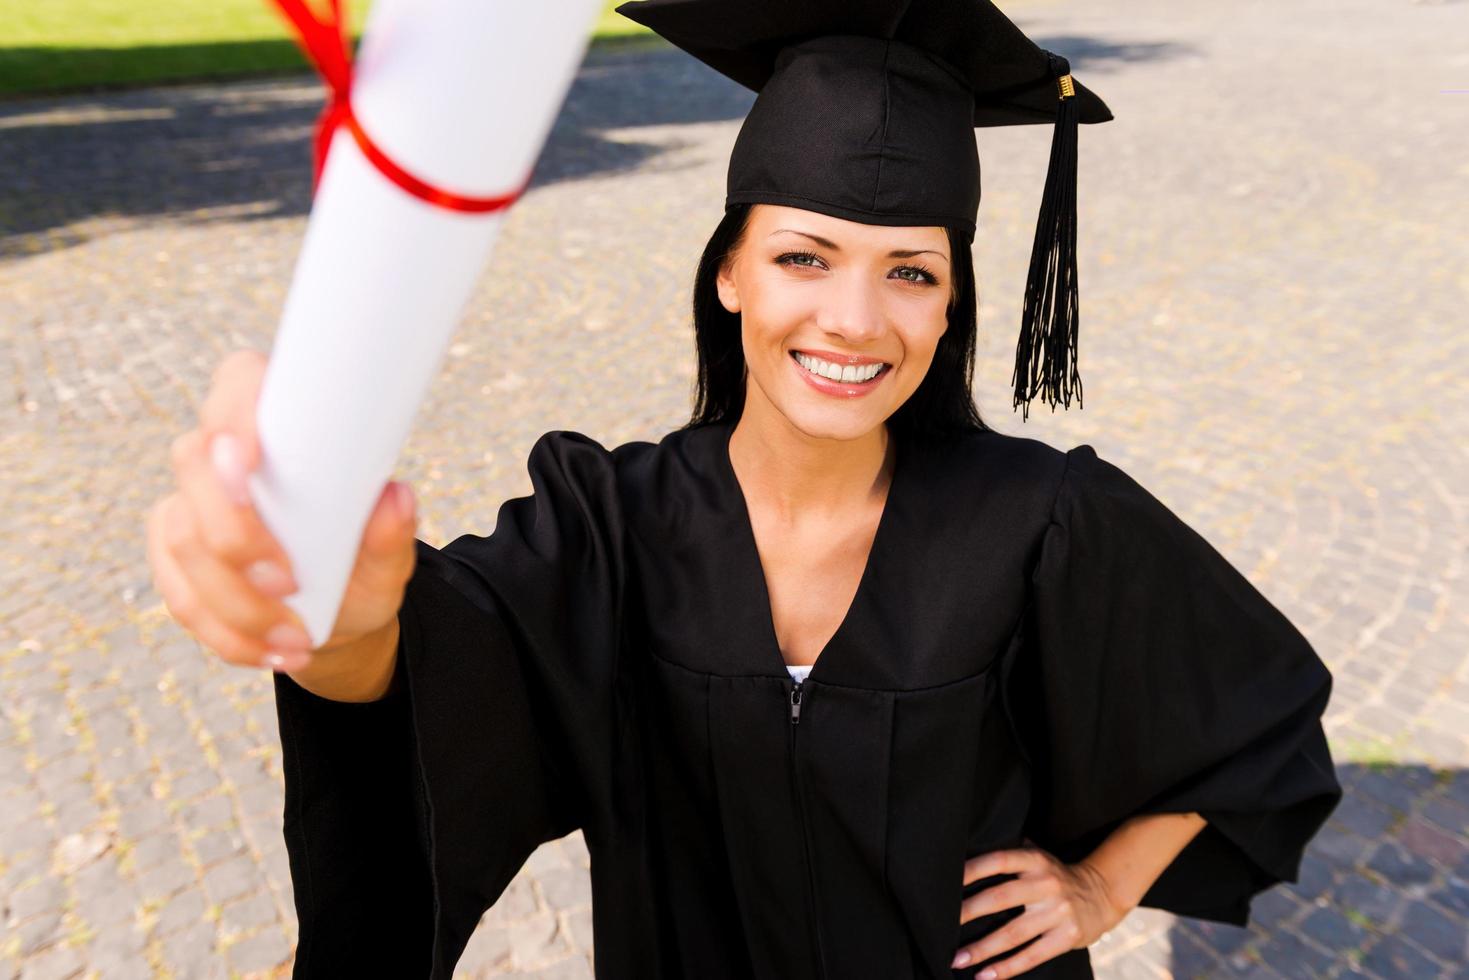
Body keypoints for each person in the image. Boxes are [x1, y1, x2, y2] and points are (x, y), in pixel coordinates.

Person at [145, 1, 1343, 977]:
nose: (853, 318)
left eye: (910, 272)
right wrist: (339, 616)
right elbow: (427, 671)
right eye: (801, 256)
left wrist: (1099, 884)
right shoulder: (611, 526)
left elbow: (1253, 709)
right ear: (728, 273)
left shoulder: (1038, 520)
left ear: (949, 304)